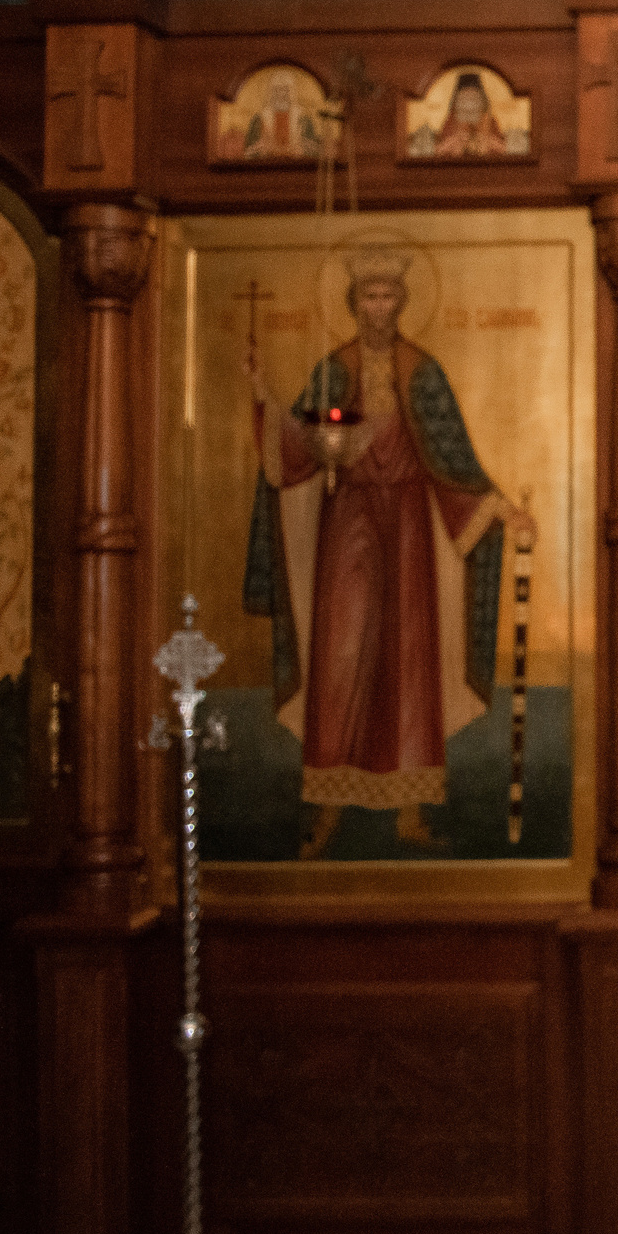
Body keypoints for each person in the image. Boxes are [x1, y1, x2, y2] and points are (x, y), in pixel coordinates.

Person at [243, 248, 535, 858]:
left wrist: (505, 510)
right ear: (353, 305)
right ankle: (326, 805)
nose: (379, 308)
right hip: (347, 524)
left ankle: (409, 809)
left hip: (407, 527)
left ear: (401, 302)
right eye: (368, 297)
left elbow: (454, 460)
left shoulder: (422, 372)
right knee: (340, 653)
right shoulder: (334, 372)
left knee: (408, 658)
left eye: (388, 297)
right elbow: (301, 445)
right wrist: (266, 403)